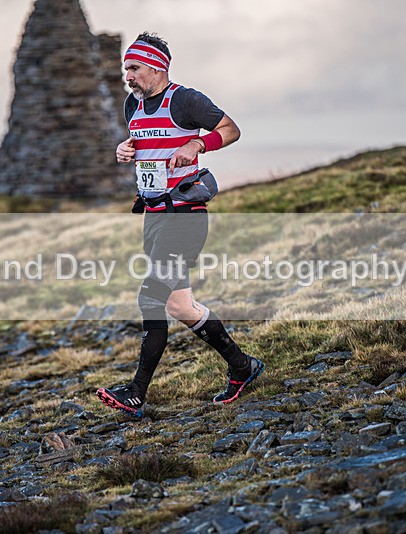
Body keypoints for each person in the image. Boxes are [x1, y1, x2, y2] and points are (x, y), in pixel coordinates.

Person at [95, 32, 265, 418]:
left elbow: (231, 129)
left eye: (134, 68)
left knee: (150, 299)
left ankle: (136, 395)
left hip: (184, 218)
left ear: (157, 67)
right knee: (181, 305)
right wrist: (126, 150)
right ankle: (242, 366)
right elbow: (145, 146)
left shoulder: (185, 100)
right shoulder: (131, 106)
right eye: (126, 69)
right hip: (154, 218)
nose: (129, 76)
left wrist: (199, 145)